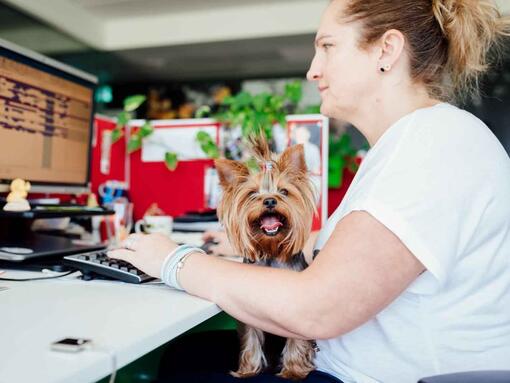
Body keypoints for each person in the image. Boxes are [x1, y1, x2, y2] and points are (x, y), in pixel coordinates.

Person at [109, 0, 510, 382]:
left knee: (182, 371)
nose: (312, 71)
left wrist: (175, 261)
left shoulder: (431, 147)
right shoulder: (412, 143)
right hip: (346, 360)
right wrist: (257, 242)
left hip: (363, 376)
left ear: (386, 50)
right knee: (188, 354)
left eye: (327, 47)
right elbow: (365, 252)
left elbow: (318, 309)